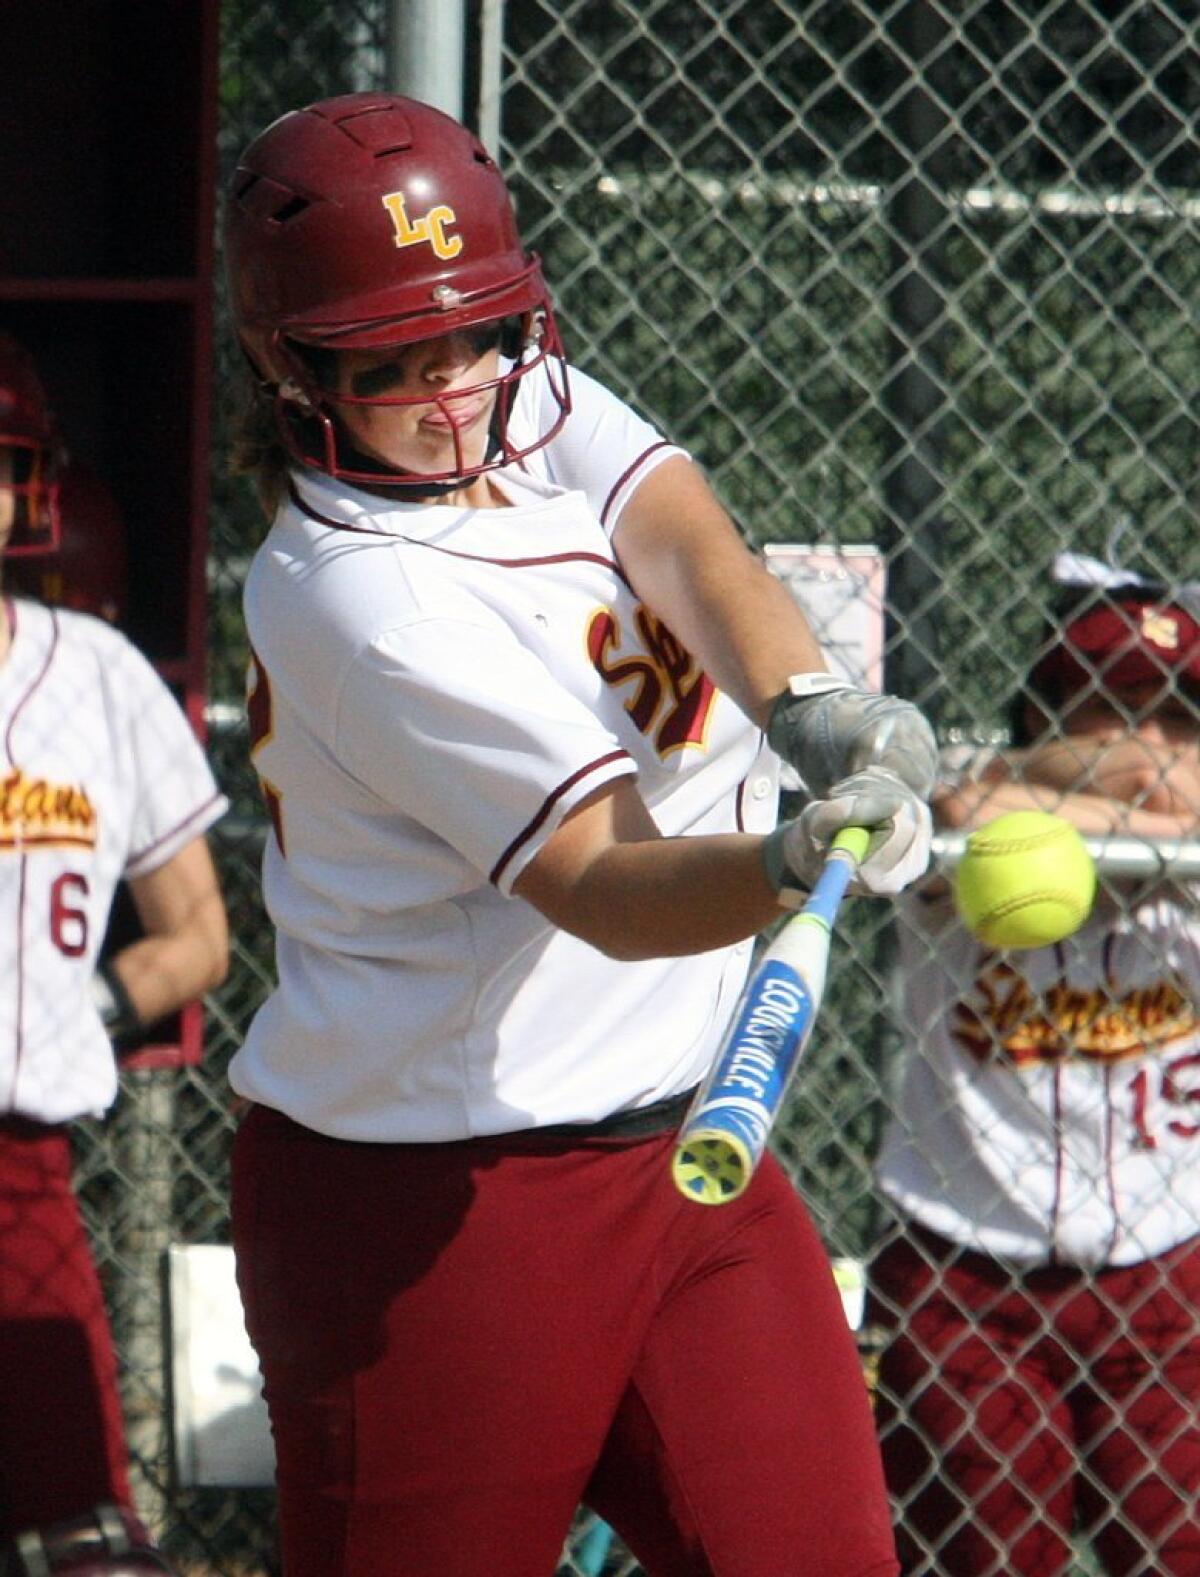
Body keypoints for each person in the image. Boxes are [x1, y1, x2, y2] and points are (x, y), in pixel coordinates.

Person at [223, 92, 939, 1577]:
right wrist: (789, 864)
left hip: (685, 1156)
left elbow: (683, 531)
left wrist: (811, 708)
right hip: (441, 1209)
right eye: (389, 365)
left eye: (477, 335)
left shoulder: (514, 392)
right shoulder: (366, 600)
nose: (452, 392)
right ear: (290, 366)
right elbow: (607, 882)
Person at [868, 562, 1200, 1575]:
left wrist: (1105, 801)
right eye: (1107, 709)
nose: (1145, 743)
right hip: (965, 1262)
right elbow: (961, 801)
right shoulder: (971, 831)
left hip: (1169, 1260)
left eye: (1177, 714)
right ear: (1044, 717)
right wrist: (1121, 801)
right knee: (984, 1554)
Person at [0, 332, 229, 1576]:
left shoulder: (94, 673)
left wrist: (77, 1000)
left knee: (81, 1548)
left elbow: (199, 936)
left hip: (22, 1172)